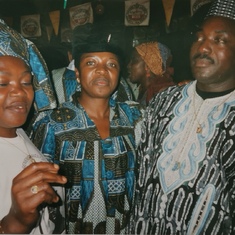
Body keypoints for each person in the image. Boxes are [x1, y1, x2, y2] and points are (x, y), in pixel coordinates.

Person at [129, 0, 235, 234]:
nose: (203, 48)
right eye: (199, 38)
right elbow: (139, 181)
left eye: (219, 40)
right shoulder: (163, 101)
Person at [28, 25, 144, 234]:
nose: (102, 70)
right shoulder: (52, 123)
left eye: (111, 64)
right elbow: (36, 192)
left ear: (119, 75)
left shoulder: (135, 118)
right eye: (91, 63)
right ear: (78, 75)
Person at [0, 19, 67, 234]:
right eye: (2, 83)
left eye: (27, 81)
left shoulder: (18, 132)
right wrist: (16, 223)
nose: (20, 92)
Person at [127, 41, 175, 106]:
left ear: (148, 66)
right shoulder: (141, 90)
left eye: (134, 60)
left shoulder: (161, 92)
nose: (129, 66)